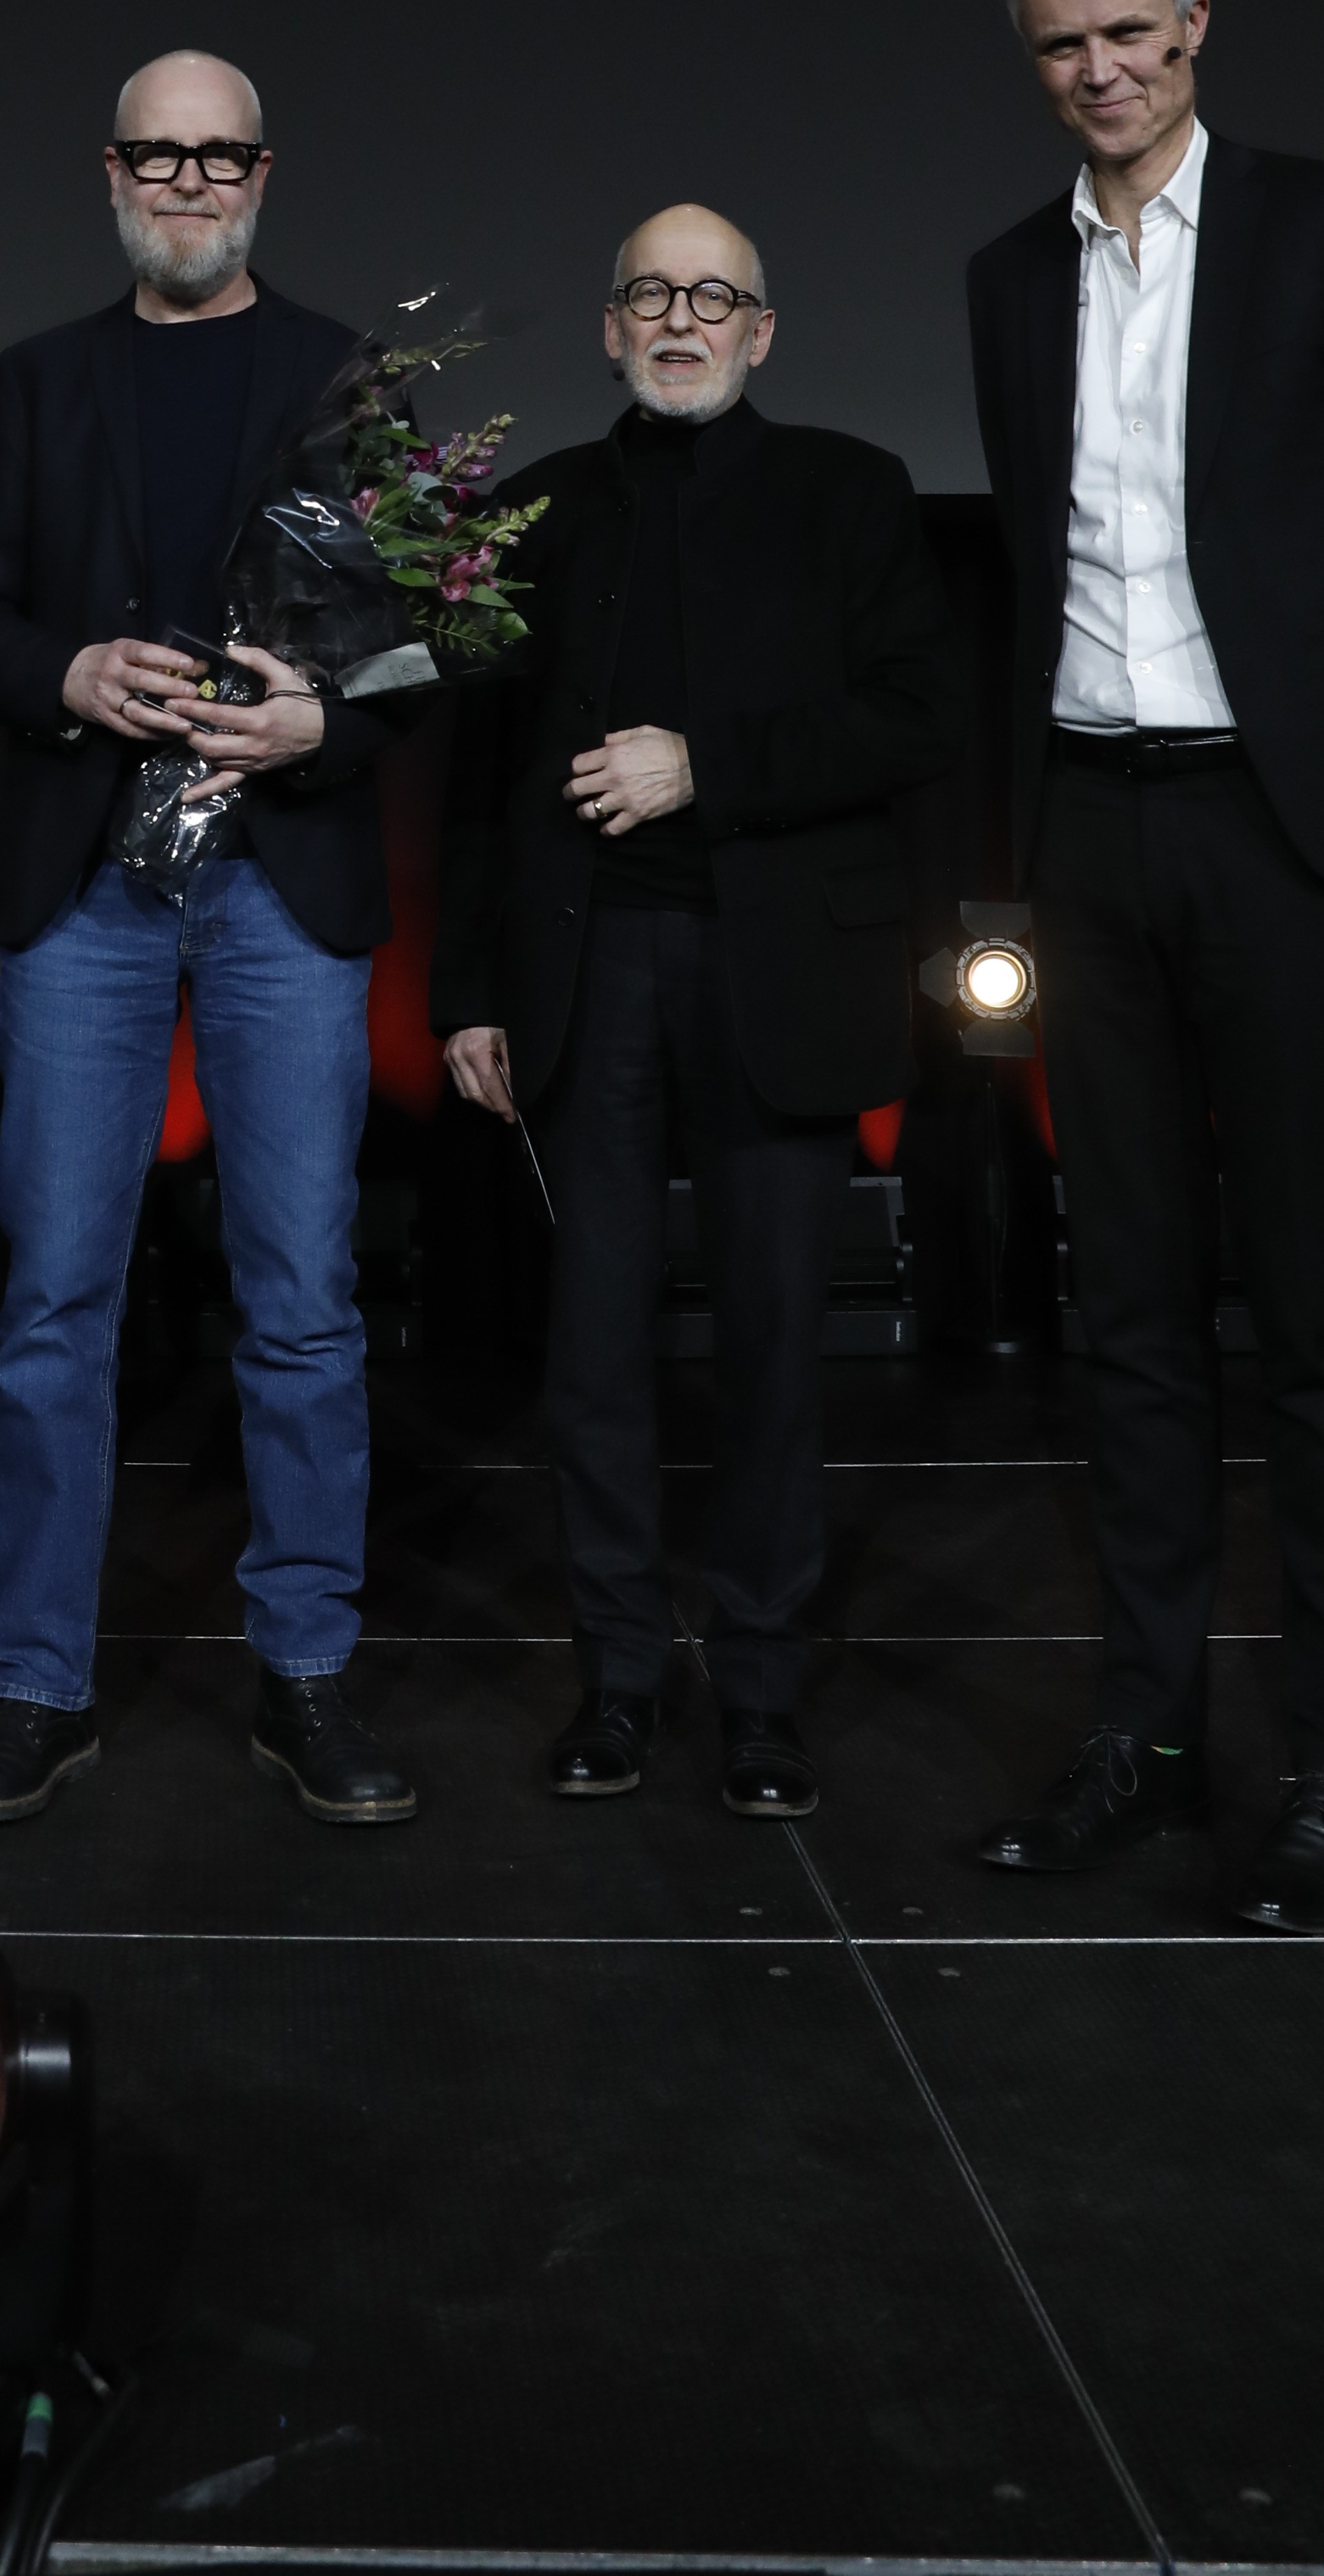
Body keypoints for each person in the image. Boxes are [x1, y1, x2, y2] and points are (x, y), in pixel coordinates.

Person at [968, 0, 1324, 1934]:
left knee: (1316, 1320)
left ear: (1194, 25)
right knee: (1127, 1317)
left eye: (1127, 30)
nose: (1097, 68)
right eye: (1060, 41)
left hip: (1281, 831)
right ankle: (1149, 1734)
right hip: (1094, 832)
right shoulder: (1008, 276)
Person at [0, 49, 425, 1828]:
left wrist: (323, 722)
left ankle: (304, 1675)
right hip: (87, 889)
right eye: (159, 155)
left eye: (219, 157)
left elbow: (425, 638)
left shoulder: (349, 375)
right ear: (113, 173)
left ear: (262, 175)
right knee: (54, 1305)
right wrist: (66, 673)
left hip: (280, 882)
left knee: (300, 1302)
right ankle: (35, 1687)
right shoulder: (39, 376)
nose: (189, 182)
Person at [435, 208, 961, 1816]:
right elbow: (478, 777)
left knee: (772, 1349)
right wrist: (468, 991)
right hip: (584, 975)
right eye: (650, 295)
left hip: (775, 972)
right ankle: (614, 1680)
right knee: (590, 1354)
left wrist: (702, 768)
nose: (680, 319)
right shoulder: (536, 511)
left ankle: (758, 1691)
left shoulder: (848, 491)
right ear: (610, 330)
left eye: (711, 296)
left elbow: (911, 719)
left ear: (758, 331)